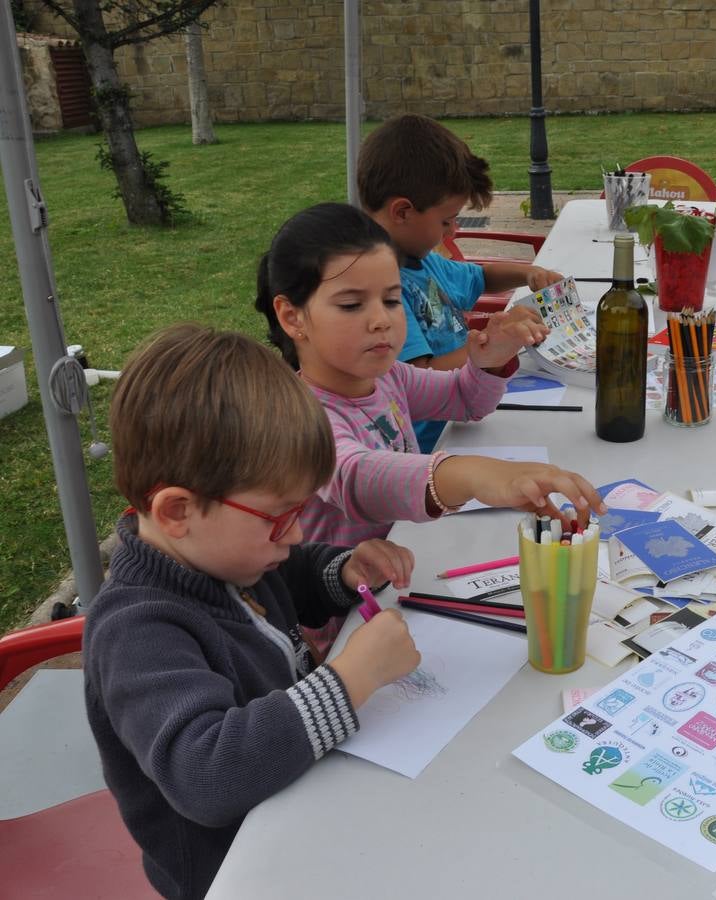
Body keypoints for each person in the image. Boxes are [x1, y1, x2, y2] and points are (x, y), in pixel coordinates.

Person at [85, 324, 423, 900]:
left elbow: (287, 574)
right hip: (237, 871)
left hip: (307, 809)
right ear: (176, 511)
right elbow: (206, 776)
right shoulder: (137, 632)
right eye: (277, 517)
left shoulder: (230, 557)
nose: (293, 535)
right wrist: (351, 678)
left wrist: (342, 572)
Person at [255, 202, 602, 549]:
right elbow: (356, 478)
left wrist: (490, 361)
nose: (382, 320)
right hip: (349, 597)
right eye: (351, 305)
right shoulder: (301, 417)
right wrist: (472, 474)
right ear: (292, 317)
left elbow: (463, 399)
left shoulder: (389, 377)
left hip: (405, 555)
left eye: (391, 300)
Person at [357, 113, 563, 451]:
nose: (453, 231)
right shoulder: (380, 291)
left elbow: (481, 276)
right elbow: (421, 374)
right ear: (402, 212)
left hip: (464, 413)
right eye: (446, 221)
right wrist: (494, 347)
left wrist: (528, 274)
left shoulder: (422, 261)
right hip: (432, 443)